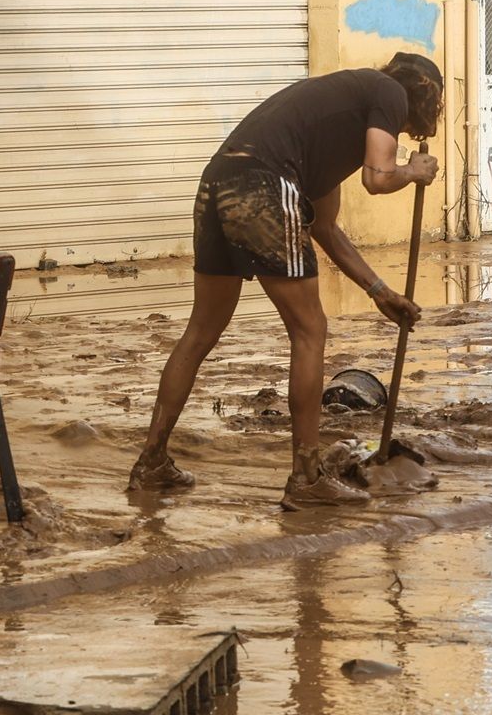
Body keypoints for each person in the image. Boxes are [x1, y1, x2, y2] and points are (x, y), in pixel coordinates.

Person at [128, 52, 444, 510]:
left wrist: (380, 293)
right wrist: (413, 171)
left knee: (200, 332)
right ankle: (306, 477)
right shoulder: (387, 92)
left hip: (219, 179)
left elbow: (326, 230)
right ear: (418, 96)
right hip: (263, 183)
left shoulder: (329, 127)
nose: (403, 131)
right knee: (310, 330)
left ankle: (151, 462)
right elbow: (379, 178)